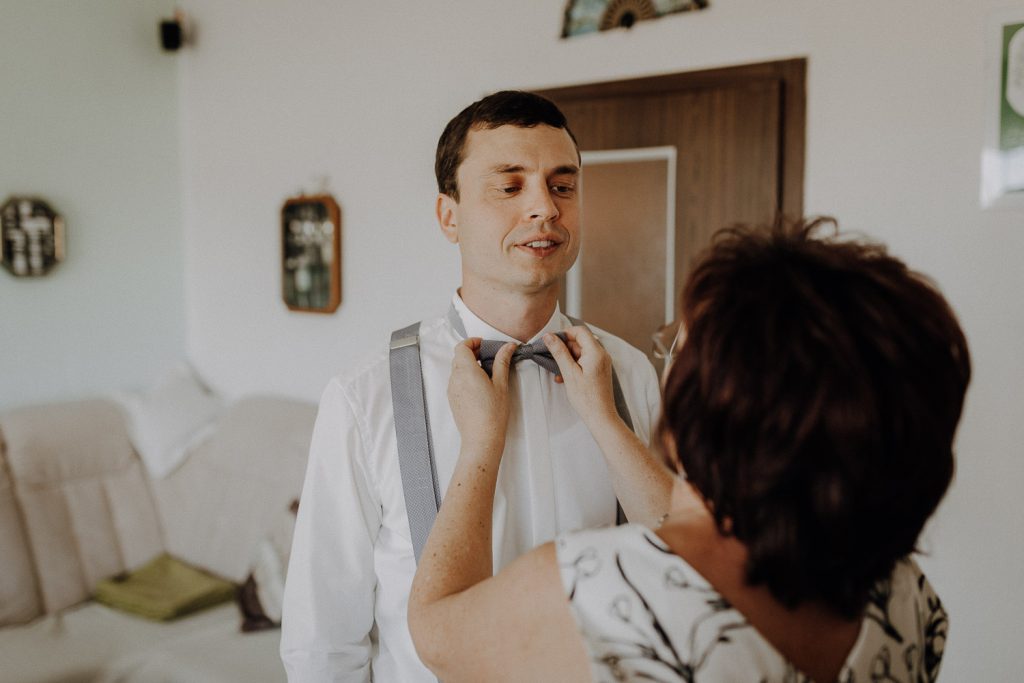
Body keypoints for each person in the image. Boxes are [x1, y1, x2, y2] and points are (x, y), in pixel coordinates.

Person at [408, 218, 970, 682]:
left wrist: (480, 444)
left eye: (676, 348)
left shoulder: (602, 589)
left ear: (707, 406)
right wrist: (605, 419)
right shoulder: (908, 599)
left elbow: (437, 633)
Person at [280, 90, 673, 681]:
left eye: (562, 186)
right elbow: (323, 639)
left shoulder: (630, 373)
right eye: (510, 186)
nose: (545, 209)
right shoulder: (367, 396)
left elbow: (679, 572)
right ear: (449, 216)